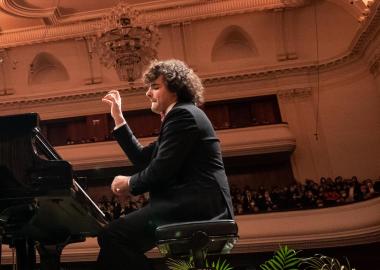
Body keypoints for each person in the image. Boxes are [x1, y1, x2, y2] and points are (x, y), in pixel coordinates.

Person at [97, 59, 234, 270]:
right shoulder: (182, 115)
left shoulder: (182, 115)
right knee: (114, 239)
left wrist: (129, 184)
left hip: (195, 206)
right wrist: (118, 119)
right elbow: (144, 158)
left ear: (176, 89)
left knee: (112, 235)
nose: (148, 93)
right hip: (192, 204)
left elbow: (161, 170)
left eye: (155, 87)